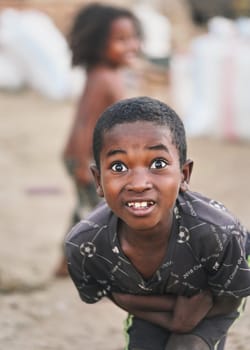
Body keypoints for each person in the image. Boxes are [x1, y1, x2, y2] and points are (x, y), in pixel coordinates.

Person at [65, 96, 250, 350]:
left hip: (216, 301)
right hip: (153, 306)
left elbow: (234, 294)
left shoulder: (218, 234)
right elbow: (110, 293)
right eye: (118, 166)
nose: (139, 183)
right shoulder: (87, 245)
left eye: (158, 164)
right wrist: (174, 319)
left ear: (184, 175)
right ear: (98, 180)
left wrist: (193, 321)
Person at [55, 3, 142, 276]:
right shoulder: (101, 77)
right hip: (86, 158)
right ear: (97, 44)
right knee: (102, 214)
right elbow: (84, 122)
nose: (131, 45)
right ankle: (100, 269)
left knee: (88, 210)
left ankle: (66, 263)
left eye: (133, 37)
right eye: (120, 40)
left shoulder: (113, 74)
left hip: (97, 159)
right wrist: (82, 165)